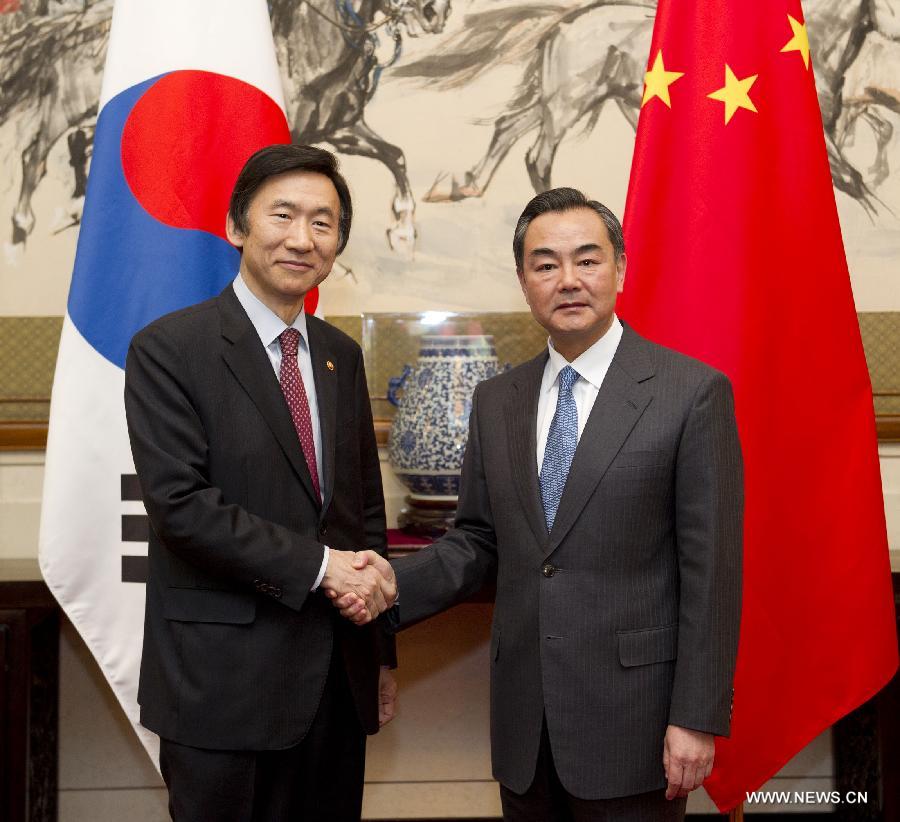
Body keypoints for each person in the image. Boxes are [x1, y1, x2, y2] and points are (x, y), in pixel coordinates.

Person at [335, 188, 743, 821]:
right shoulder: (498, 400)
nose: (569, 280)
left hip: (637, 722)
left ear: (621, 269)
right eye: (545, 264)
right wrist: (387, 585)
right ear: (524, 281)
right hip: (527, 723)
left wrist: (696, 716)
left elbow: (711, 573)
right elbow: (477, 542)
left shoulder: (690, 394)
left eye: (588, 259)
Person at [124, 144, 398, 821]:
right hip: (221, 686)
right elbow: (182, 509)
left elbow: (361, 511)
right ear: (236, 226)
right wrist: (324, 568)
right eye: (283, 215)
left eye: (323, 222)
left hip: (337, 683)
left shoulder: (340, 356)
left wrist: (381, 654)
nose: (302, 238)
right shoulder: (169, 349)